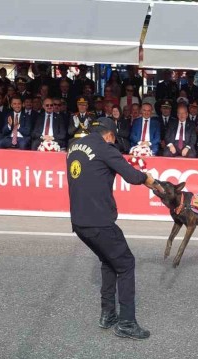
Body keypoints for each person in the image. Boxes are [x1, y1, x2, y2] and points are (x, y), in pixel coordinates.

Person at [66, 117, 163, 340]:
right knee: (126, 263)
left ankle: (107, 314)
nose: (113, 141)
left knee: (109, 260)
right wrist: (148, 178)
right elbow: (131, 176)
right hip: (99, 220)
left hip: (79, 221)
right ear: (109, 134)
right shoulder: (105, 148)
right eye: (113, 138)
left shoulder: (74, 147)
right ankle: (127, 323)